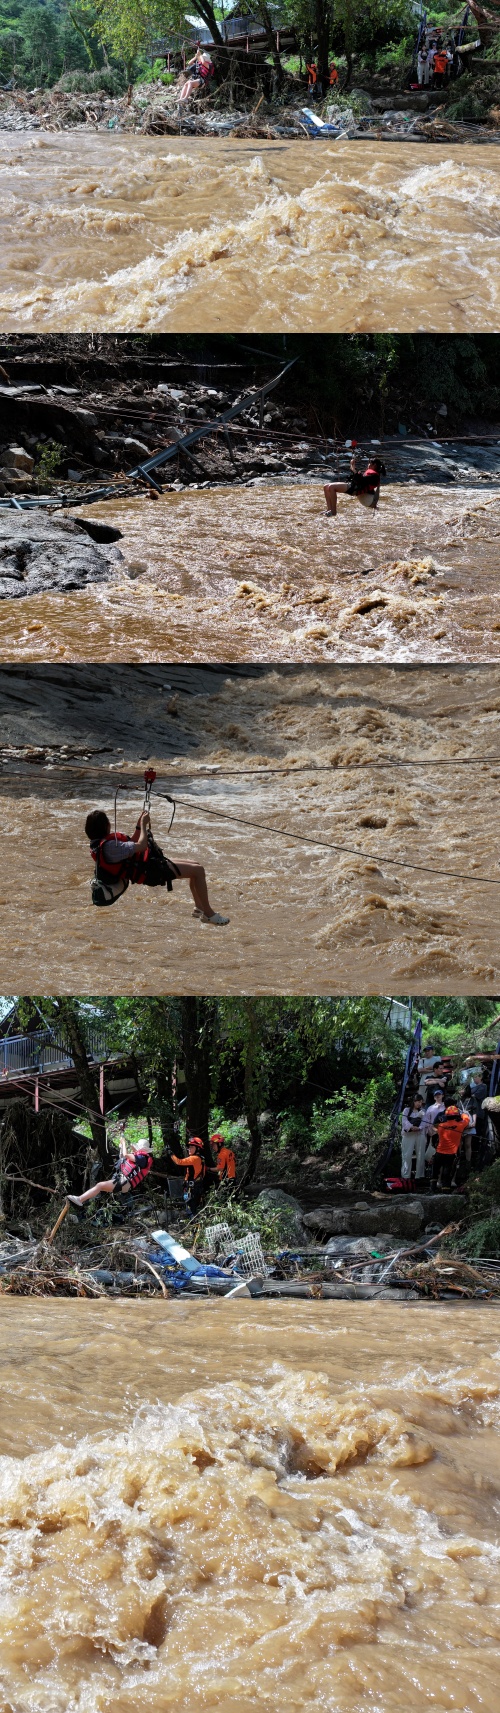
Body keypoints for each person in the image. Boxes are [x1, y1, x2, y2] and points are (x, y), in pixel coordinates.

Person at [85, 807, 229, 926]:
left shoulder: (103, 845)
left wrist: (138, 823)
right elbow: (141, 846)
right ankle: (209, 914)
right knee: (198, 871)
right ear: (105, 826)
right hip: (150, 872)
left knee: (195, 866)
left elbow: (134, 842)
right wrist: (143, 825)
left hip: (150, 864)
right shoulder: (110, 847)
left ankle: (199, 908)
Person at [67, 1122, 153, 1214]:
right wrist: (122, 1135)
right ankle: (81, 1200)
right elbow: (123, 1157)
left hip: (123, 1182)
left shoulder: (143, 1158)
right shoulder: (139, 1158)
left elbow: (125, 1154)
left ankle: (80, 1200)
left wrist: (123, 1143)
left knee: (100, 1186)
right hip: (122, 1181)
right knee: (100, 1187)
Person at [430, 1104, 470, 1189]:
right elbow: (467, 1119)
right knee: (447, 1172)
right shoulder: (460, 1125)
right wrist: (462, 1114)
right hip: (451, 1154)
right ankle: (446, 1189)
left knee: (435, 1171)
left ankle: (432, 1188)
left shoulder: (441, 1126)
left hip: (439, 1152)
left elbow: (436, 1127)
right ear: (456, 1116)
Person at [170, 1136, 207, 1213]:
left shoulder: (194, 1158)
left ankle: (194, 1222)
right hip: (198, 1185)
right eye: (189, 1147)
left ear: (198, 1148)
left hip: (193, 1187)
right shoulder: (201, 1158)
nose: (189, 1149)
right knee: (194, 1206)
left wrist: (171, 1154)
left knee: (191, 1208)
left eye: (191, 1147)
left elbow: (178, 1162)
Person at [401, 1096, 428, 1185]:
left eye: (420, 1102)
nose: (419, 1104)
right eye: (417, 1102)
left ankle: (419, 1176)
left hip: (419, 1134)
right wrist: (411, 1127)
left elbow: (424, 1122)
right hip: (409, 1134)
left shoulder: (423, 1111)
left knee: (420, 1155)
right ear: (413, 1101)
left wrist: (419, 1128)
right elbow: (404, 1121)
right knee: (407, 1154)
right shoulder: (406, 1110)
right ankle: (406, 1176)